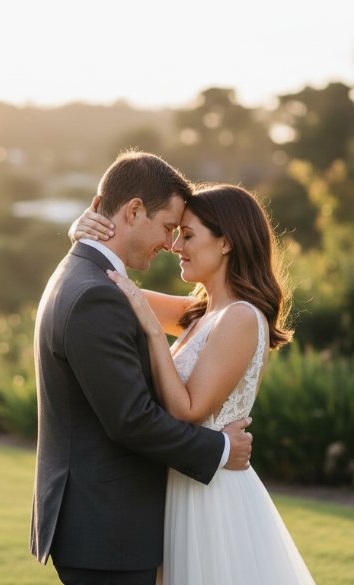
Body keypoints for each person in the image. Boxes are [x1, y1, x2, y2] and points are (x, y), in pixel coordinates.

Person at [72, 183, 316, 584]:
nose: (174, 246)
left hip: (212, 496)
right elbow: (107, 283)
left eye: (187, 235)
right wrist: (81, 234)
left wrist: (154, 334)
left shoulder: (240, 317)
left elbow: (188, 409)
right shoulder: (198, 314)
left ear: (226, 244)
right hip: (183, 484)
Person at [30, 151, 255, 585]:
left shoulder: (88, 280)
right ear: (134, 210)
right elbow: (131, 420)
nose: (173, 245)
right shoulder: (97, 293)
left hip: (112, 523)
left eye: (185, 234)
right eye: (171, 229)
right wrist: (222, 449)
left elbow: (200, 317)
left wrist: (84, 233)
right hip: (107, 528)